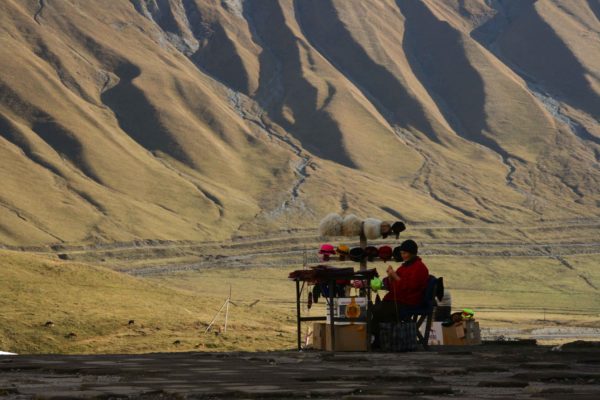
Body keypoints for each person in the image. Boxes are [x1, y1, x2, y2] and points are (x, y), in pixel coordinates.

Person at [370, 239, 429, 348]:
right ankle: (378, 340)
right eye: (402, 253)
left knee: (381, 310)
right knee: (376, 309)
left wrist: (395, 276)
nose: (403, 256)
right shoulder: (404, 267)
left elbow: (410, 287)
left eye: (405, 253)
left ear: (412, 253)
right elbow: (395, 285)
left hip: (410, 301)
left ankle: (382, 340)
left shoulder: (419, 268)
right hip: (399, 299)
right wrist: (390, 276)